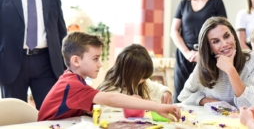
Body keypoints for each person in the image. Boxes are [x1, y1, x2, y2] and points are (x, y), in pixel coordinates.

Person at [38, 32, 180, 121]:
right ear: (76, 61)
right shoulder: (72, 85)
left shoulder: (73, 80)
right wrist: (156, 107)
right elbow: (111, 99)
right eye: (95, 59)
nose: (100, 65)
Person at [0, 0, 67, 110]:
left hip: (47, 64)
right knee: (15, 118)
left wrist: (67, 66)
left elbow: (60, 32)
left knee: (51, 114)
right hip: (11, 63)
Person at [170, 0, 227, 103]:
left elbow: (224, 31)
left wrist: (203, 53)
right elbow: (174, 31)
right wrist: (187, 53)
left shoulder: (216, 3)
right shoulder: (183, 4)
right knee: (180, 95)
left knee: (205, 95)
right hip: (185, 57)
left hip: (208, 56)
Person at [177, 17, 254, 108]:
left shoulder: (253, 60)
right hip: (213, 120)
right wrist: (208, 101)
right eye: (216, 41)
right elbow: (184, 95)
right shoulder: (205, 65)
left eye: (226, 36)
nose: (224, 43)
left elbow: (250, 105)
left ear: (234, 36)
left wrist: (230, 70)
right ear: (210, 48)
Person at [97, 44, 173, 112]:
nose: (145, 80)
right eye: (142, 77)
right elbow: (104, 109)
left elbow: (157, 88)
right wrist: (130, 103)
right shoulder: (108, 90)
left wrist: (165, 92)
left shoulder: (143, 82)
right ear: (128, 73)